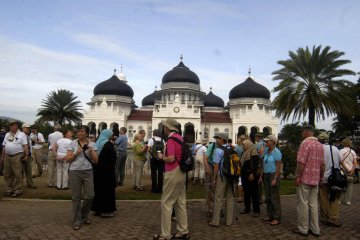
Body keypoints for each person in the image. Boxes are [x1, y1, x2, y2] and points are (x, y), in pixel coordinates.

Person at [153, 118, 189, 240]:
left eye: (164, 126)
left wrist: (161, 157)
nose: (163, 128)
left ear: (167, 128)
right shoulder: (180, 138)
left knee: (166, 203)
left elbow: (171, 158)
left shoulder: (171, 140)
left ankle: (165, 234)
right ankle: (183, 231)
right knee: (180, 202)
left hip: (173, 171)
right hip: (182, 172)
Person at [293, 125, 325, 237]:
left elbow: (301, 162)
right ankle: (315, 229)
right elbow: (322, 164)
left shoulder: (305, 144)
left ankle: (303, 229)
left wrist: (298, 176)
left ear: (307, 132)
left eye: (302, 132)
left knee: (303, 204)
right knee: (314, 205)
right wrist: (321, 177)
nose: (301, 134)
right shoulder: (320, 145)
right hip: (315, 179)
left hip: (305, 179)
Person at [65, 125, 98, 230]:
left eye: (82, 131)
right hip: (75, 172)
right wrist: (76, 153)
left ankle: (84, 215)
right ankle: (77, 220)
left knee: (90, 195)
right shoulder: (72, 143)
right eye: (78, 131)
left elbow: (96, 161)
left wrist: (91, 151)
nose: (79, 133)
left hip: (88, 171)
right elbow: (67, 159)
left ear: (87, 134)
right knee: (76, 197)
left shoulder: (92, 144)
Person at [208, 132, 234, 227]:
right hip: (231, 177)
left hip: (221, 176)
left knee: (218, 198)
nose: (216, 140)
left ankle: (215, 221)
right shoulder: (231, 149)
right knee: (230, 198)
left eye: (218, 138)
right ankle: (228, 221)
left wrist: (214, 178)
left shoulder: (218, 150)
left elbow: (216, 165)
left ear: (222, 139)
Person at [317, 132, 343, 227]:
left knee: (323, 198)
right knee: (335, 198)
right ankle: (333, 217)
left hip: (323, 178)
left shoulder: (319, 149)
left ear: (319, 140)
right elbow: (341, 160)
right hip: (335, 178)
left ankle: (324, 217)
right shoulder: (335, 148)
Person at [92, 129, 117, 217]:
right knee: (107, 190)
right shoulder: (109, 144)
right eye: (111, 134)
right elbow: (113, 159)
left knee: (98, 189)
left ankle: (98, 209)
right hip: (107, 171)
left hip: (98, 170)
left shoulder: (97, 143)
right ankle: (106, 210)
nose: (112, 136)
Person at [2, 120, 30, 197]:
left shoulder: (21, 134)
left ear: (16, 126)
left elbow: (25, 145)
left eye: (13, 125)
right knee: (7, 174)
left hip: (17, 156)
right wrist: (2, 156)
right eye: (10, 125)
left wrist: (27, 155)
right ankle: (9, 189)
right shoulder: (7, 134)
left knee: (17, 173)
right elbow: (4, 146)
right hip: (7, 156)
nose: (11, 126)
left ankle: (18, 189)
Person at [259, 135, 282, 225]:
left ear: (273, 142)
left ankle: (277, 217)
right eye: (265, 141)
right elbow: (263, 164)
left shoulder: (276, 152)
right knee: (268, 197)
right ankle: (270, 215)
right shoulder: (266, 151)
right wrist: (261, 176)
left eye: (267, 141)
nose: (266, 143)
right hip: (266, 175)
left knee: (274, 197)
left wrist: (275, 178)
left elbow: (278, 165)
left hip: (273, 175)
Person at [240, 139, 260, 217]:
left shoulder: (253, 152)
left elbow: (255, 164)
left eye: (244, 145)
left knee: (254, 193)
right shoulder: (243, 153)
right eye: (242, 145)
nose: (243, 146)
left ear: (248, 145)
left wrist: (252, 173)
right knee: (246, 193)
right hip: (244, 175)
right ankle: (247, 208)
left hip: (252, 176)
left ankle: (256, 211)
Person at [339, 138, 357, 205]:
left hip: (342, 170)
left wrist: (346, 169)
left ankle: (339, 200)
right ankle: (348, 200)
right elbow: (355, 162)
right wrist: (352, 170)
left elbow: (340, 161)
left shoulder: (340, 151)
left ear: (343, 143)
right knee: (350, 186)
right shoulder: (353, 152)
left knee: (340, 185)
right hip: (350, 171)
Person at [148, 129, 165, 193]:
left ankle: (154, 189)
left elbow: (149, 149)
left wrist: (153, 154)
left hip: (153, 159)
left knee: (153, 173)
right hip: (161, 158)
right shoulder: (162, 140)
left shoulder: (151, 140)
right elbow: (164, 149)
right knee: (160, 173)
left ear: (153, 133)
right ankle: (160, 189)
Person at [21, 123, 36, 189]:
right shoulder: (20, 135)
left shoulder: (28, 136)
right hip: (22, 155)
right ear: (23, 128)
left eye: (28, 128)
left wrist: (31, 154)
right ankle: (19, 185)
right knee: (20, 171)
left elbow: (30, 146)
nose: (28, 129)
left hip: (28, 155)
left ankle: (30, 184)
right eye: (27, 128)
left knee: (29, 171)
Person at [204, 141, 216, 219]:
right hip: (211, 166)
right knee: (209, 189)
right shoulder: (212, 146)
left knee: (216, 189)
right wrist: (207, 168)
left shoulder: (224, 146)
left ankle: (216, 208)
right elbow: (205, 158)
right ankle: (209, 209)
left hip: (218, 168)